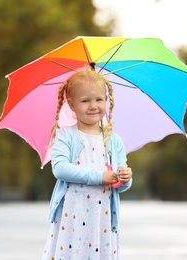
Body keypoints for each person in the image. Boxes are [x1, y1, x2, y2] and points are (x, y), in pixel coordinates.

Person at [42, 70, 133, 260]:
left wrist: (124, 178)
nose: (93, 106)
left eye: (99, 100)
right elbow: (59, 168)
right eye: (85, 101)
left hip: (102, 216)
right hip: (73, 214)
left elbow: (119, 184)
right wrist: (98, 176)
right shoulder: (67, 135)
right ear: (72, 104)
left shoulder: (113, 141)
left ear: (106, 101)